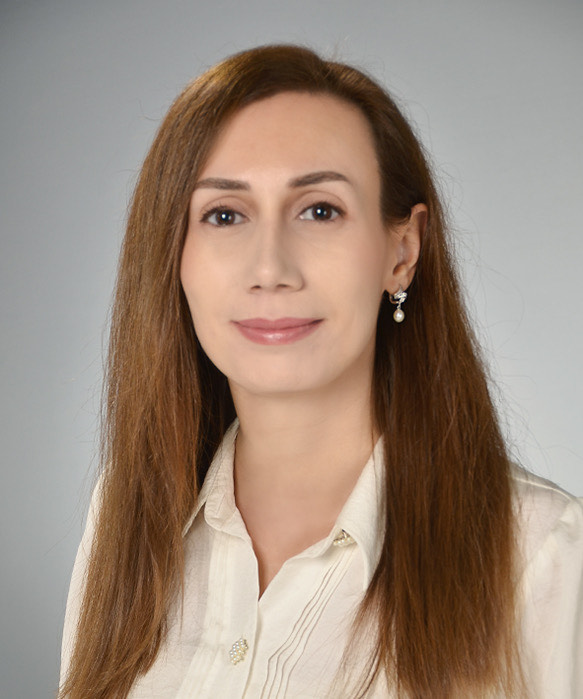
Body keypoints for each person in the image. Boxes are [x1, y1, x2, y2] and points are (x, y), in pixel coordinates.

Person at [59, 44, 583, 698]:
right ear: (173, 255)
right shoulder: (126, 517)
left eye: (319, 210)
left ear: (402, 251)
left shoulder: (543, 556)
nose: (270, 268)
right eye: (225, 215)